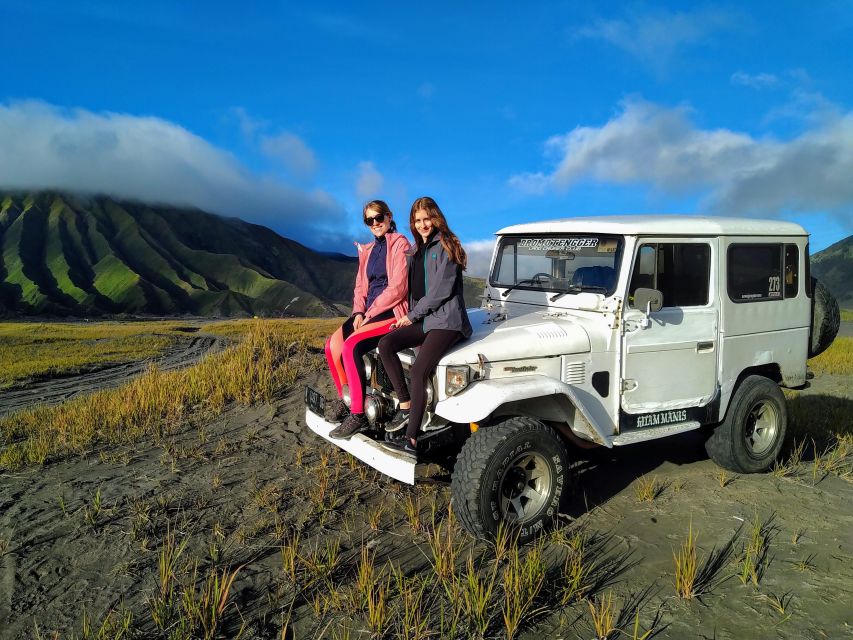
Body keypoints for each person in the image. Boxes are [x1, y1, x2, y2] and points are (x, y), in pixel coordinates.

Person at [378, 196, 472, 458]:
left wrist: (412, 316)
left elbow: (442, 291)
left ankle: (412, 440)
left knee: (419, 370)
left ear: (436, 217)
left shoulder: (446, 246)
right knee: (386, 344)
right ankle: (406, 404)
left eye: (426, 218)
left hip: (447, 321)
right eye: (417, 220)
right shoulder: (416, 251)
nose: (422, 224)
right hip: (426, 319)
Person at [324, 200, 411, 439]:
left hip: (390, 310)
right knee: (332, 347)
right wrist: (358, 312)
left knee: (352, 347)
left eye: (378, 218)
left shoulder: (400, 243)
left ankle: (358, 414)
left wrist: (370, 313)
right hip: (367, 312)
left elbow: (398, 288)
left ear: (389, 216)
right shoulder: (369, 250)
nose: (375, 223)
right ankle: (348, 397)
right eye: (369, 220)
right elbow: (361, 287)